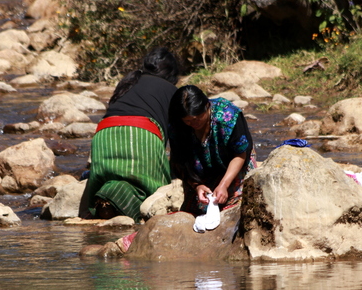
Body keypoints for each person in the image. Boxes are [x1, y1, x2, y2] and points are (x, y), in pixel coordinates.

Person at [81, 47, 181, 222]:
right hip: (142, 135)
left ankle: (107, 201)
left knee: (112, 178)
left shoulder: (129, 81)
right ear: (172, 74)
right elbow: (178, 140)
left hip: (103, 135)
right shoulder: (171, 90)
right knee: (155, 192)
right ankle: (132, 213)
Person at [168, 85, 256, 215]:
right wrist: (196, 185)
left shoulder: (228, 116)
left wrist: (224, 185)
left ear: (207, 106)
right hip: (199, 172)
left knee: (234, 208)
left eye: (198, 117)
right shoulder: (178, 125)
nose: (194, 123)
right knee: (195, 211)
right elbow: (180, 161)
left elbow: (240, 154)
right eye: (188, 121)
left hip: (234, 164)